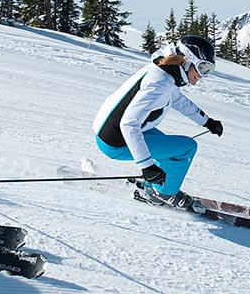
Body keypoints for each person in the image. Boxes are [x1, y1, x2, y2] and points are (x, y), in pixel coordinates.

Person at [92, 35, 223, 211]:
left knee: (172, 147)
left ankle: (157, 184)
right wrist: (147, 166)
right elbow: (129, 125)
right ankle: (163, 193)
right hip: (115, 141)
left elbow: (177, 100)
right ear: (186, 61)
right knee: (186, 148)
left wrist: (207, 122)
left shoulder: (165, 75)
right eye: (202, 67)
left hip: (107, 128)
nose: (202, 76)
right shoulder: (159, 84)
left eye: (208, 69)